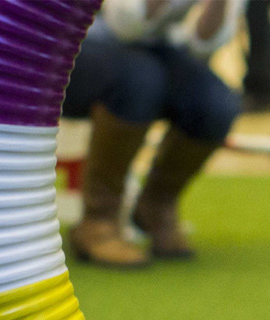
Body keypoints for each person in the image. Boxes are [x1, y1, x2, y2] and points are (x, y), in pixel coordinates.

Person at [62, 0, 245, 268]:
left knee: (215, 103)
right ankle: (98, 220)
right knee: (140, 79)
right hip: (72, 44)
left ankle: (155, 209)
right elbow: (123, 24)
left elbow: (202, 45)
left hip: (152, 51)